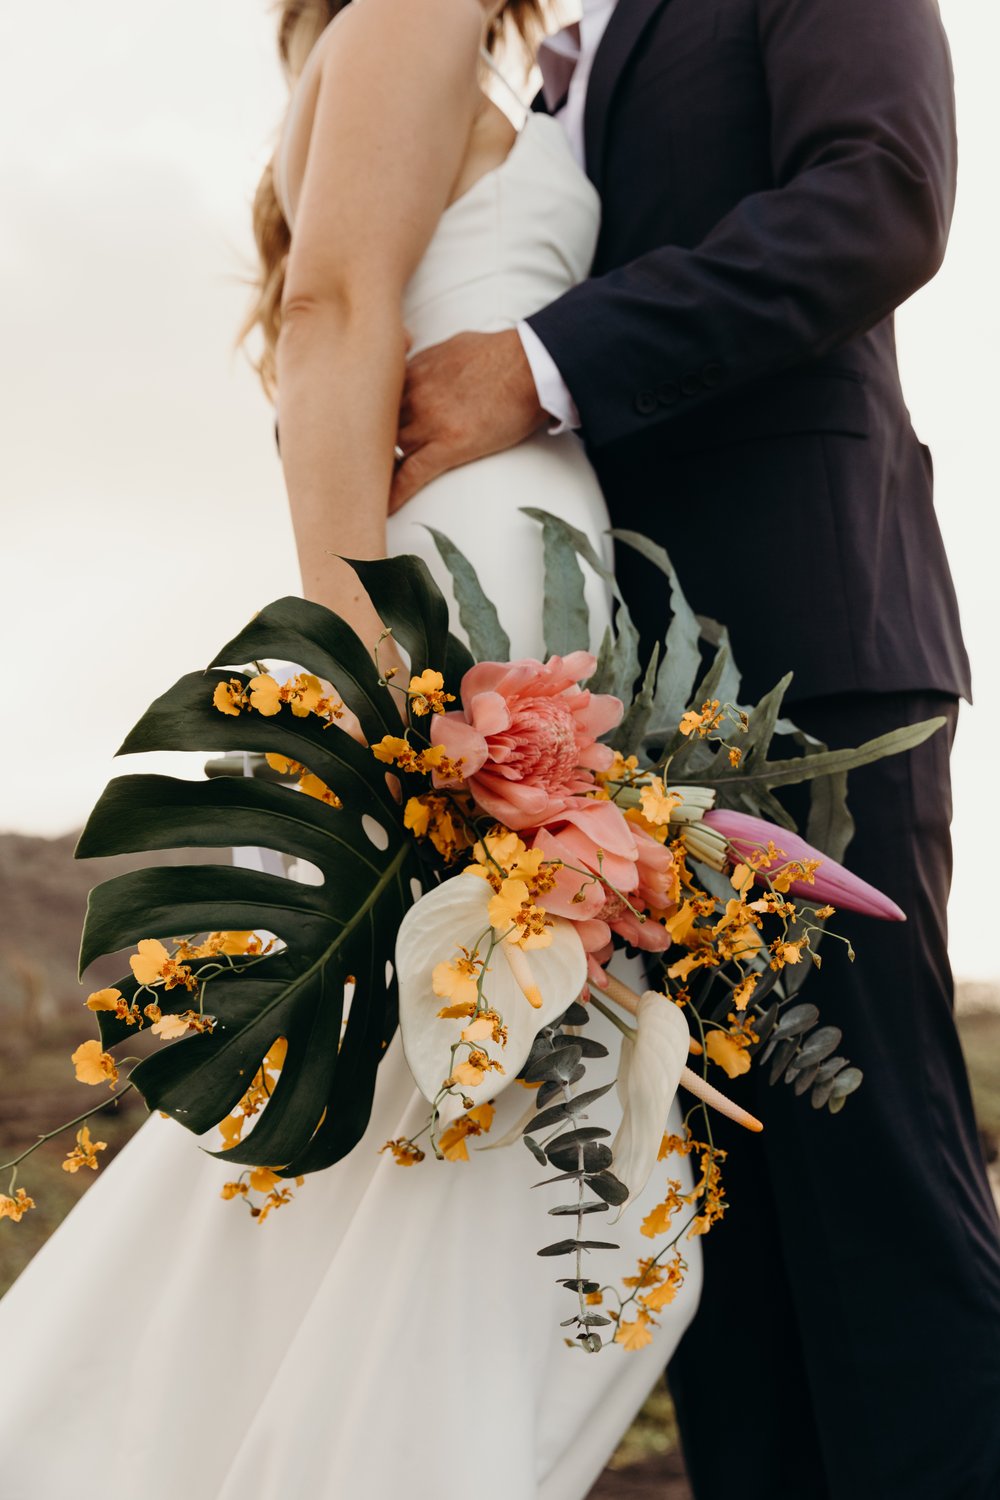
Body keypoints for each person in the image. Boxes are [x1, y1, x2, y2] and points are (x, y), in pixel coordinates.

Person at [0, 4, 708, 1498]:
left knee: (470, 1109)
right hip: (456, 616)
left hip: (519, 599)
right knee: (470, 1106)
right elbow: (330, 310)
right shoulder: (417, 8)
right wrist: (364, 657)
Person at [391, 1, 1000, 1496]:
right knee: (714, 1255)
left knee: (874, 1211)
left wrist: (537, 366)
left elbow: (880, 198)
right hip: (600, 731)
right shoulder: (549, 50)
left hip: (807, 659)